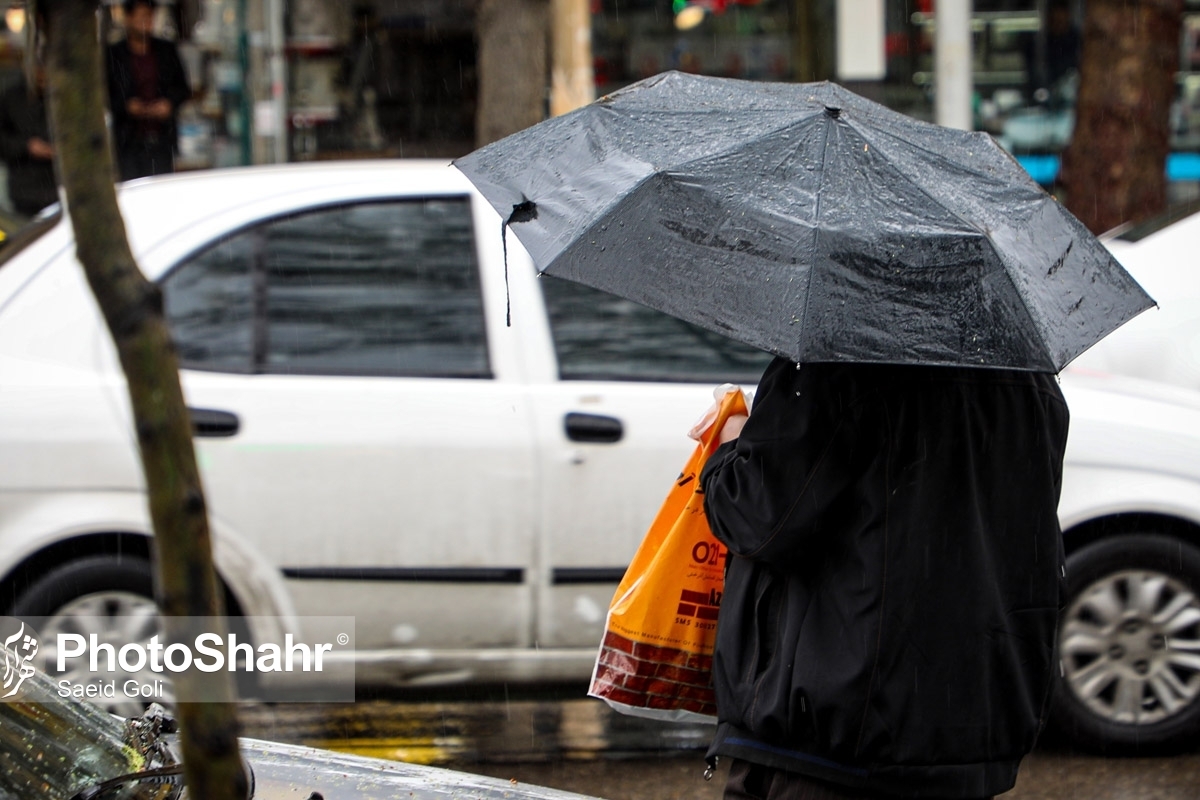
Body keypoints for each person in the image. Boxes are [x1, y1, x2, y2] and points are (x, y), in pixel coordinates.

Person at [700, 359, 1069, 800]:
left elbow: (752, 517)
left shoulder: (835, 365)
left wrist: (733, 438)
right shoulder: (1031, 383)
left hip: (835, 735)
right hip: (966, 728)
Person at [105, 0, 190, 180]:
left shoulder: (166, 50)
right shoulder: (114, 54)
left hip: (160, 139)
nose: (147, 22)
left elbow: (182, 88)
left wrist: (168, 104)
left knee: (161, 185)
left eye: (150, 17)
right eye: (142, 17)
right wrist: (127, 106)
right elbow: (107, 95)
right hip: (128, 140)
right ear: (128, 18)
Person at [0, 66, 58, 218]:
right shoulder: (11, 98)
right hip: (26, 191)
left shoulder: (65, 97)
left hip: (61, 187)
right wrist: (27, 146)